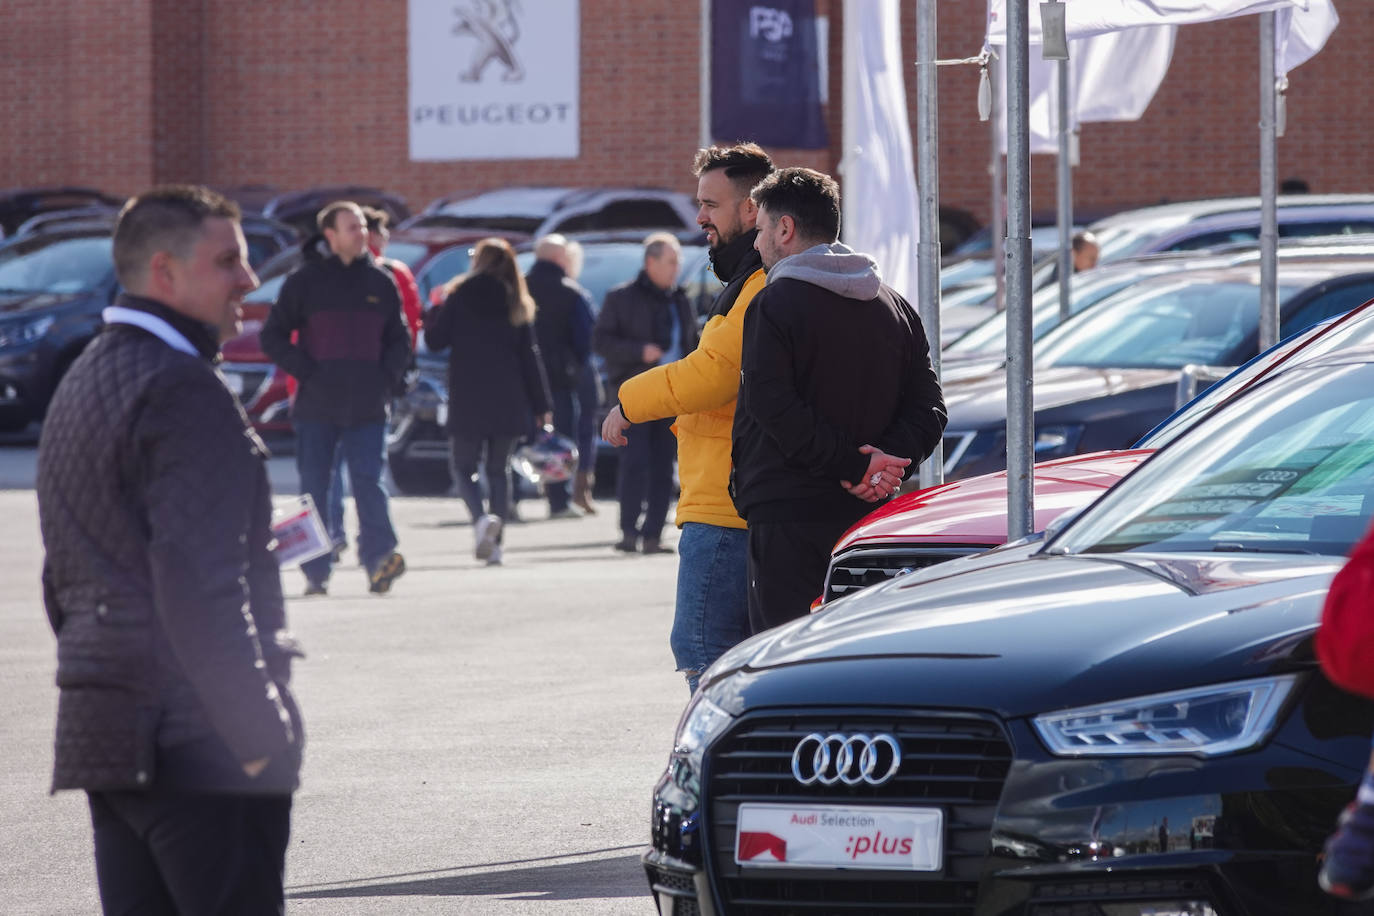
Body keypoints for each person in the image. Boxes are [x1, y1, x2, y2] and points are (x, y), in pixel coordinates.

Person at [35, 185, 304, 914]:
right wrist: (260, 737)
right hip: (198, 745)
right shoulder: (183, 390)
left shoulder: (85, 377)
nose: (250, 281)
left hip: (109, 736)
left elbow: (62, 575)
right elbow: (198, 588)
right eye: (229, 262)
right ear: (165, 272)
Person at [731, 167, 947, 632]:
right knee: (859, 652)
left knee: (785, 657)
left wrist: (857, 467)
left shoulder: (773, 304)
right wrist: (888, 464)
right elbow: (930, 407)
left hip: (788, 515)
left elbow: (772, 406)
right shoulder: (895, 305)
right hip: (870, 520)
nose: (755, 243)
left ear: (784, 229)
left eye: (762, 228)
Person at [601, 141, 773, 693]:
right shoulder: (750, 281)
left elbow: (711, 375)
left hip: (724, 505)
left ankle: (717, 773)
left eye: (710, 204)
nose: (699, 217)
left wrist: (629, 401)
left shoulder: (757, 286)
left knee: (707, 656)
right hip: (732, 496)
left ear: (751, 211)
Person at [260, 201, 411, 596]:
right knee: (316, 486)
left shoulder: (381, 281)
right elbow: (272, 336)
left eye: (362, 226)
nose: (361, 233)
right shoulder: (305, 281)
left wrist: (386, 378)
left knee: (368, 481)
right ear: (330, 235)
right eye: (351, 227)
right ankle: (316, 570)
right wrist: (307, 370)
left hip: (368, 403)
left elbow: (400, 339)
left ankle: (381, 560)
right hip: (318, 405)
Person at [425, 237, 552, 566]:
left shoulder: (459, 295)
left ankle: (481, 519)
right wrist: (542, 405)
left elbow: (436, 341)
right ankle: (496, 544)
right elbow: (530, 357)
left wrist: (434, 309)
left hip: (468, 395)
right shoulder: (516, 300)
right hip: (509, 397)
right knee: (499, 470)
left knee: (463, 466)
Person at [595, 231, 698, 554]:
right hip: (635, 395)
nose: (676, 268)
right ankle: (628, 532)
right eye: (670, 262)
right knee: (634, 462)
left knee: (663, 466)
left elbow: (692, 343)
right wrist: (640, 352)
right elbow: (602, 342)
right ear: (650, 262)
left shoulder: (680, 298)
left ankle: (653, 534)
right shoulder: (621, 298)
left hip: (674, 396)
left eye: (678, 262)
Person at [527, 233, 596, 518]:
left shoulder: (518, 288)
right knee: (561, 438)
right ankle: (558, 501)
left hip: (522, 377)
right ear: (559, 258)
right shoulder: (572, 293)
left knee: (522, 438)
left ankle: (509, 499)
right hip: (560, 379)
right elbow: (586, 340)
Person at [564, 238, 604, 514]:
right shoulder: (577, 295)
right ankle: (580, 490)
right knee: (584, 432)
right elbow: (589, 338)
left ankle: (571, 491)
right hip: (579, 373)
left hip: (562, 374)